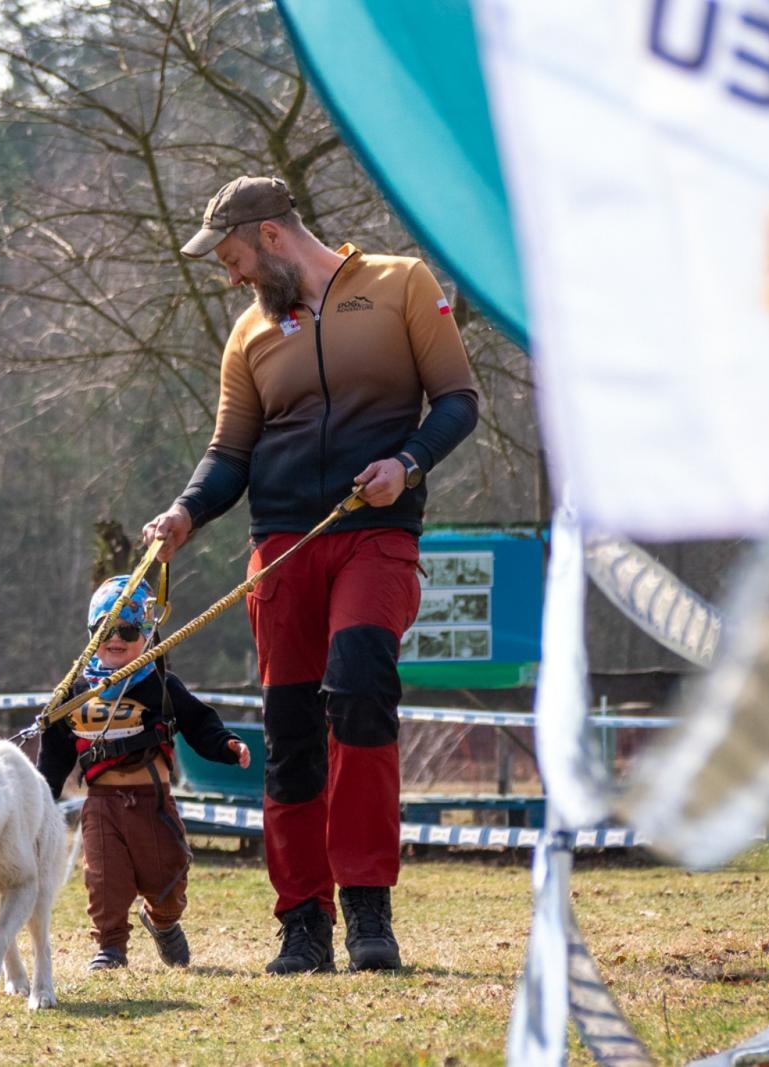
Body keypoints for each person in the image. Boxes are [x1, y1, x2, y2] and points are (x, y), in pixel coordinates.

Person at [141, 175, 480, 975]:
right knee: (291, 731)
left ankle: (369, 907)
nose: (229, 277)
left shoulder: (401, 284)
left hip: (377, 531)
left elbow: (460, 400)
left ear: (268, 236)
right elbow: (229, 455)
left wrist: (409, 461)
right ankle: (302, 921)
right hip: (283, 545)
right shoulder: (249, 334)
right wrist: (185, 514)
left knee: (360, 691)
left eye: (230, 258)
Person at [38, 575, 251, 971]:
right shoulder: (74, 692)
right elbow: (53, 754)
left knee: (167, 876)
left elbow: (201, 724)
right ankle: (111, 947)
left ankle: (163, 921)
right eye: (105, 630)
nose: (115, 638)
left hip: (153, 804)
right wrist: (42, 798)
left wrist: (227, 745)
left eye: (128, 630)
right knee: (104, 880)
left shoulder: (162, 685)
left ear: (148, 633)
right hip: (100, 805)